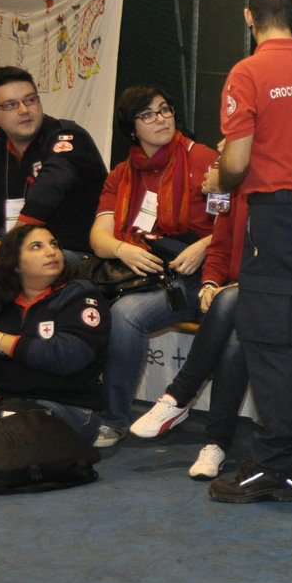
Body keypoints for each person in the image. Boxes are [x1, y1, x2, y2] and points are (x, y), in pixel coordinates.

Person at [203, 0, 292, 504]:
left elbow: (237, 163)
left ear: (248, 17)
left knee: (270, 341)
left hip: (280, 218)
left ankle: (277, 467)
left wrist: (219, 177)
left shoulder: (248, 72)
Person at [89, 86, 218, 448]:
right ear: (132, 128)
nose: (160, 119)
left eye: (165, 110)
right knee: (70, 283)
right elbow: (98, 237)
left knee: (127, 313)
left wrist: (203, 247)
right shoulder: (122, 174)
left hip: (196, 275)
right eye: (147, 114)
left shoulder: (202, 159)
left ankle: (113, 420)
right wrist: (122, 250)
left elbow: (238, 221)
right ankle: (66, 398)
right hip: (139, 269)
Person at [129, 192, 250, 481]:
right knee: (234, 336)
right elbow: (220, 247)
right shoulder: (233, 191)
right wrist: (209, 285)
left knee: (232, 300)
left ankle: (178, 396)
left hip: (277, 294)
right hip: (237, 297)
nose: (222, 145)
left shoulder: (279, 191)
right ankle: (215, 443)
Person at [0, 223, 110, 440]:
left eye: (53, 244)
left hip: (66, 405)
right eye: (36, 246)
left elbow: (69, 356)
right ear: (15, 264)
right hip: (3, 395)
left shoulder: (81, 297)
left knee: (2, 430)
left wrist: (2, 341)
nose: (50, 251)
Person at [0, 66, 107, 279]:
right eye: (10, 105)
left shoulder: (67, 137)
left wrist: (9, 249)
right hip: (15, 247)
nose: (24, 110)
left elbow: (49, 190)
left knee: (8, 272)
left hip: (76, 254)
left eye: (31, 100)